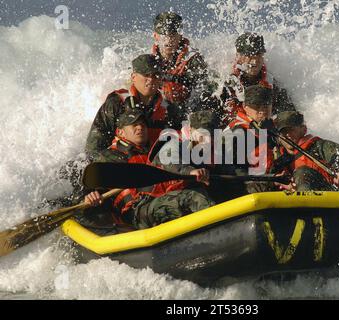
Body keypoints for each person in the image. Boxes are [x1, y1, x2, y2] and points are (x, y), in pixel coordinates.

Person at [84, 109, 215, 229]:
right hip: (136, 211)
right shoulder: (108, 157)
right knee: (194, 197)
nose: (140, 127)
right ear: (120, 132)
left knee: (201, 191)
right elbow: (90, 188)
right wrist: (90, 197)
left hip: (161, 199)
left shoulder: (154, 150)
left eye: (143, 125)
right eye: (134, 125)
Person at [85, 54, 181, 160]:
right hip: (120, 165)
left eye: (155, 75)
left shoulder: (169, 109)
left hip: (154, 167)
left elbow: (178, 146)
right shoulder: (116, 103)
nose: (151, 79)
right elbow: (94, 147)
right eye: (146, 75)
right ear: (133, 77)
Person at [271, 111, 339, 192]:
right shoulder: (277, 158)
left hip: (326, 196)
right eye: (283, 132)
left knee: (302, 173)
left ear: (304, 129)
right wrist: (276, 182)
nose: (288, 135)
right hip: (291, 201)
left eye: (291, 130)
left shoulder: (320, 146)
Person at [220, 32, 296, 121]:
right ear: (238, 56)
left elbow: (289, 115)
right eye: (249, 56)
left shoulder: (272, 85)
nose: (255, 62)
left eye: (259, 55)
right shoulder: (224, 83)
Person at [151, 12, 218, 111]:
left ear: (180, 36)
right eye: (164, 35)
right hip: (160, 107)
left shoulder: (193, 59)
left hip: (189, 107)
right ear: (156, 36)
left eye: (173, 35)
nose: (169, 40)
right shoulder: (148, 59)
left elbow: (205, 91)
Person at [224, 85, 278, 193]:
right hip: (243, 187)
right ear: (245, 106)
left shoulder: (272, 128)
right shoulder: (237, 132)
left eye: (266, 105)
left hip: (268, 180)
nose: (262, 110)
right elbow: (233, 169)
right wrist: (271, 180)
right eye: (257, 106)